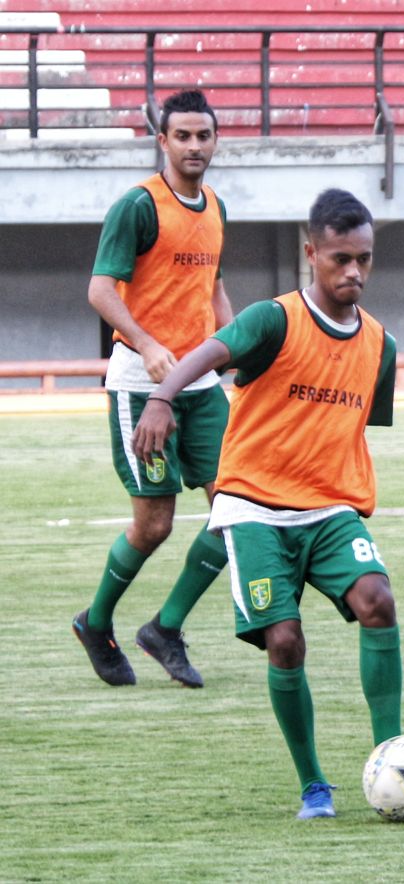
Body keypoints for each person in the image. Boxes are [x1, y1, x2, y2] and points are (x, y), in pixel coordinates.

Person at [133, 189, 404, 819]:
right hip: (255, 510)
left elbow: (354, 426)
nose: (355, 272)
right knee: (285, 640)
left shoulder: (380, 347)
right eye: (341, 258)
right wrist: (160, 401)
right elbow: (205, 356)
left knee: (379, 602)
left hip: (330, 511)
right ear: (311, 253)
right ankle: (314, 784)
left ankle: (395, 759)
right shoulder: (273, 320)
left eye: (364, 259)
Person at [73, 89, 233, 689]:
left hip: (202, 382)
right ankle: (97, 622)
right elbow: (101, 291)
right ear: (162, 142)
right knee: (155, 524)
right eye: (183, 136)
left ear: (216, 141)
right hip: (142, 384)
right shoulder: (139, 206)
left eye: (204, 136)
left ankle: (165, 627)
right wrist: (145, 343)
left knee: (239, 511)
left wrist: (240, 345)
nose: (195, 146)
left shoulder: (216, 204)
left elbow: (214, 289)